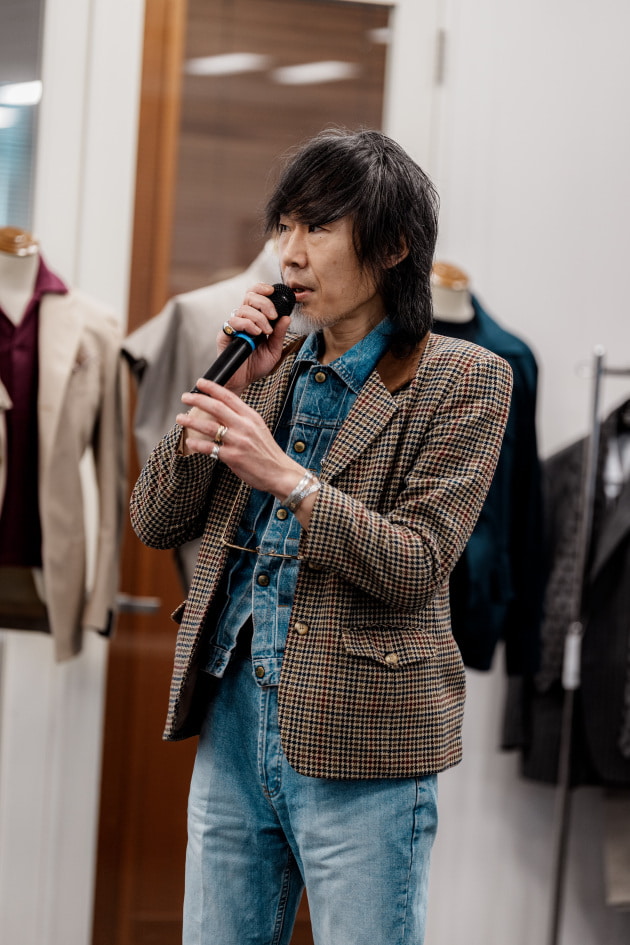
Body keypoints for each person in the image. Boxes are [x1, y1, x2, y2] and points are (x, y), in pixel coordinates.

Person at [130, 127, 513, 945]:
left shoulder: (466, 377)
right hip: (233, 722)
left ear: (394, 245)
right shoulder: (271, 366)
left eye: (320, 227)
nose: (290, 254)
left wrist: (288, 477)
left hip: (364, 743)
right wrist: (230, 378)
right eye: (285, 226)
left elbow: (416, 563)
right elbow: (155, 519)